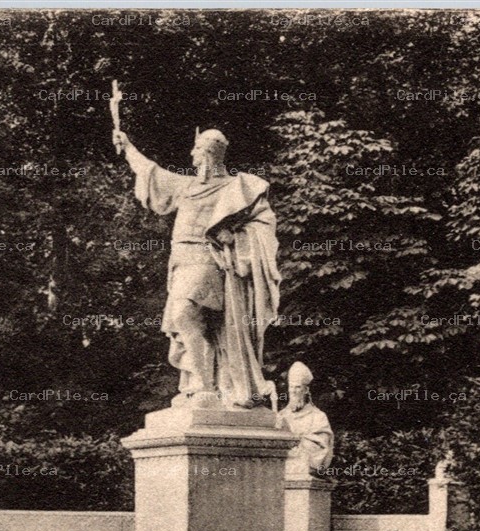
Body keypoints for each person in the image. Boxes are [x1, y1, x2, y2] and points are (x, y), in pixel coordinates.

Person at [113, 126, 281, 409]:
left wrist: (237, 236)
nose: (192, 154)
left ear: (211, 153)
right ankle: (203, 384)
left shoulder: (238, 186)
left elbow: (264, 226)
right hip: (180, 262)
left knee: (183, 314)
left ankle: (206, 386)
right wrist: (128, 148)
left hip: (208, 260)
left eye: (198, 149)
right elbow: (152, 173)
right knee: (190, 321)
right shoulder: (187, 186)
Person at [277, 360, 334, 472]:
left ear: (306, 390)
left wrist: (295, 441)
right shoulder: (281, 416)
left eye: (297, 387)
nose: (293, 391)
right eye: (291, 387)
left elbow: (321, 446)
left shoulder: (318, 416)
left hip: (304, 464)